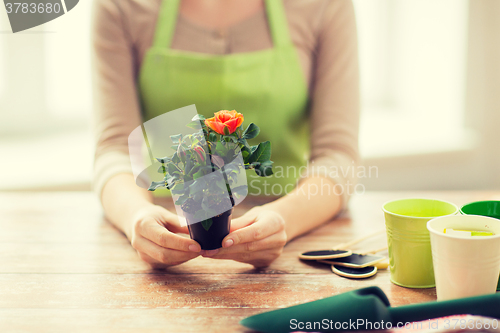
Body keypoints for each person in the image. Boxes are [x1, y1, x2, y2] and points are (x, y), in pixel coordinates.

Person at [92, 0, 360, 268]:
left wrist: (284, 219)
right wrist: (136, 215)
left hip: (292, 243)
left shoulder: (325, 5)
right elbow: (113, 149)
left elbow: (337, 154)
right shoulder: (120, 6)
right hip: (167, 239)